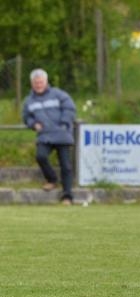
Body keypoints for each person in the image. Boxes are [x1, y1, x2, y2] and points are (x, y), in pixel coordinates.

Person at [22, 68, 77, 205]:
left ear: (46, 82)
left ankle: (67, 196)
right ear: (32, 84)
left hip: (62, 134)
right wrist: (33, 124)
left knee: (66, 166)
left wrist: (64, 123)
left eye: (40, 82)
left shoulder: (59, 94)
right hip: (45, 136)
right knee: (40, 156)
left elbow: (70, 109)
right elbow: (26, 118)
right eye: (36, 83)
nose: (38, 85)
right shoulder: (29, 101)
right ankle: (52, 180)